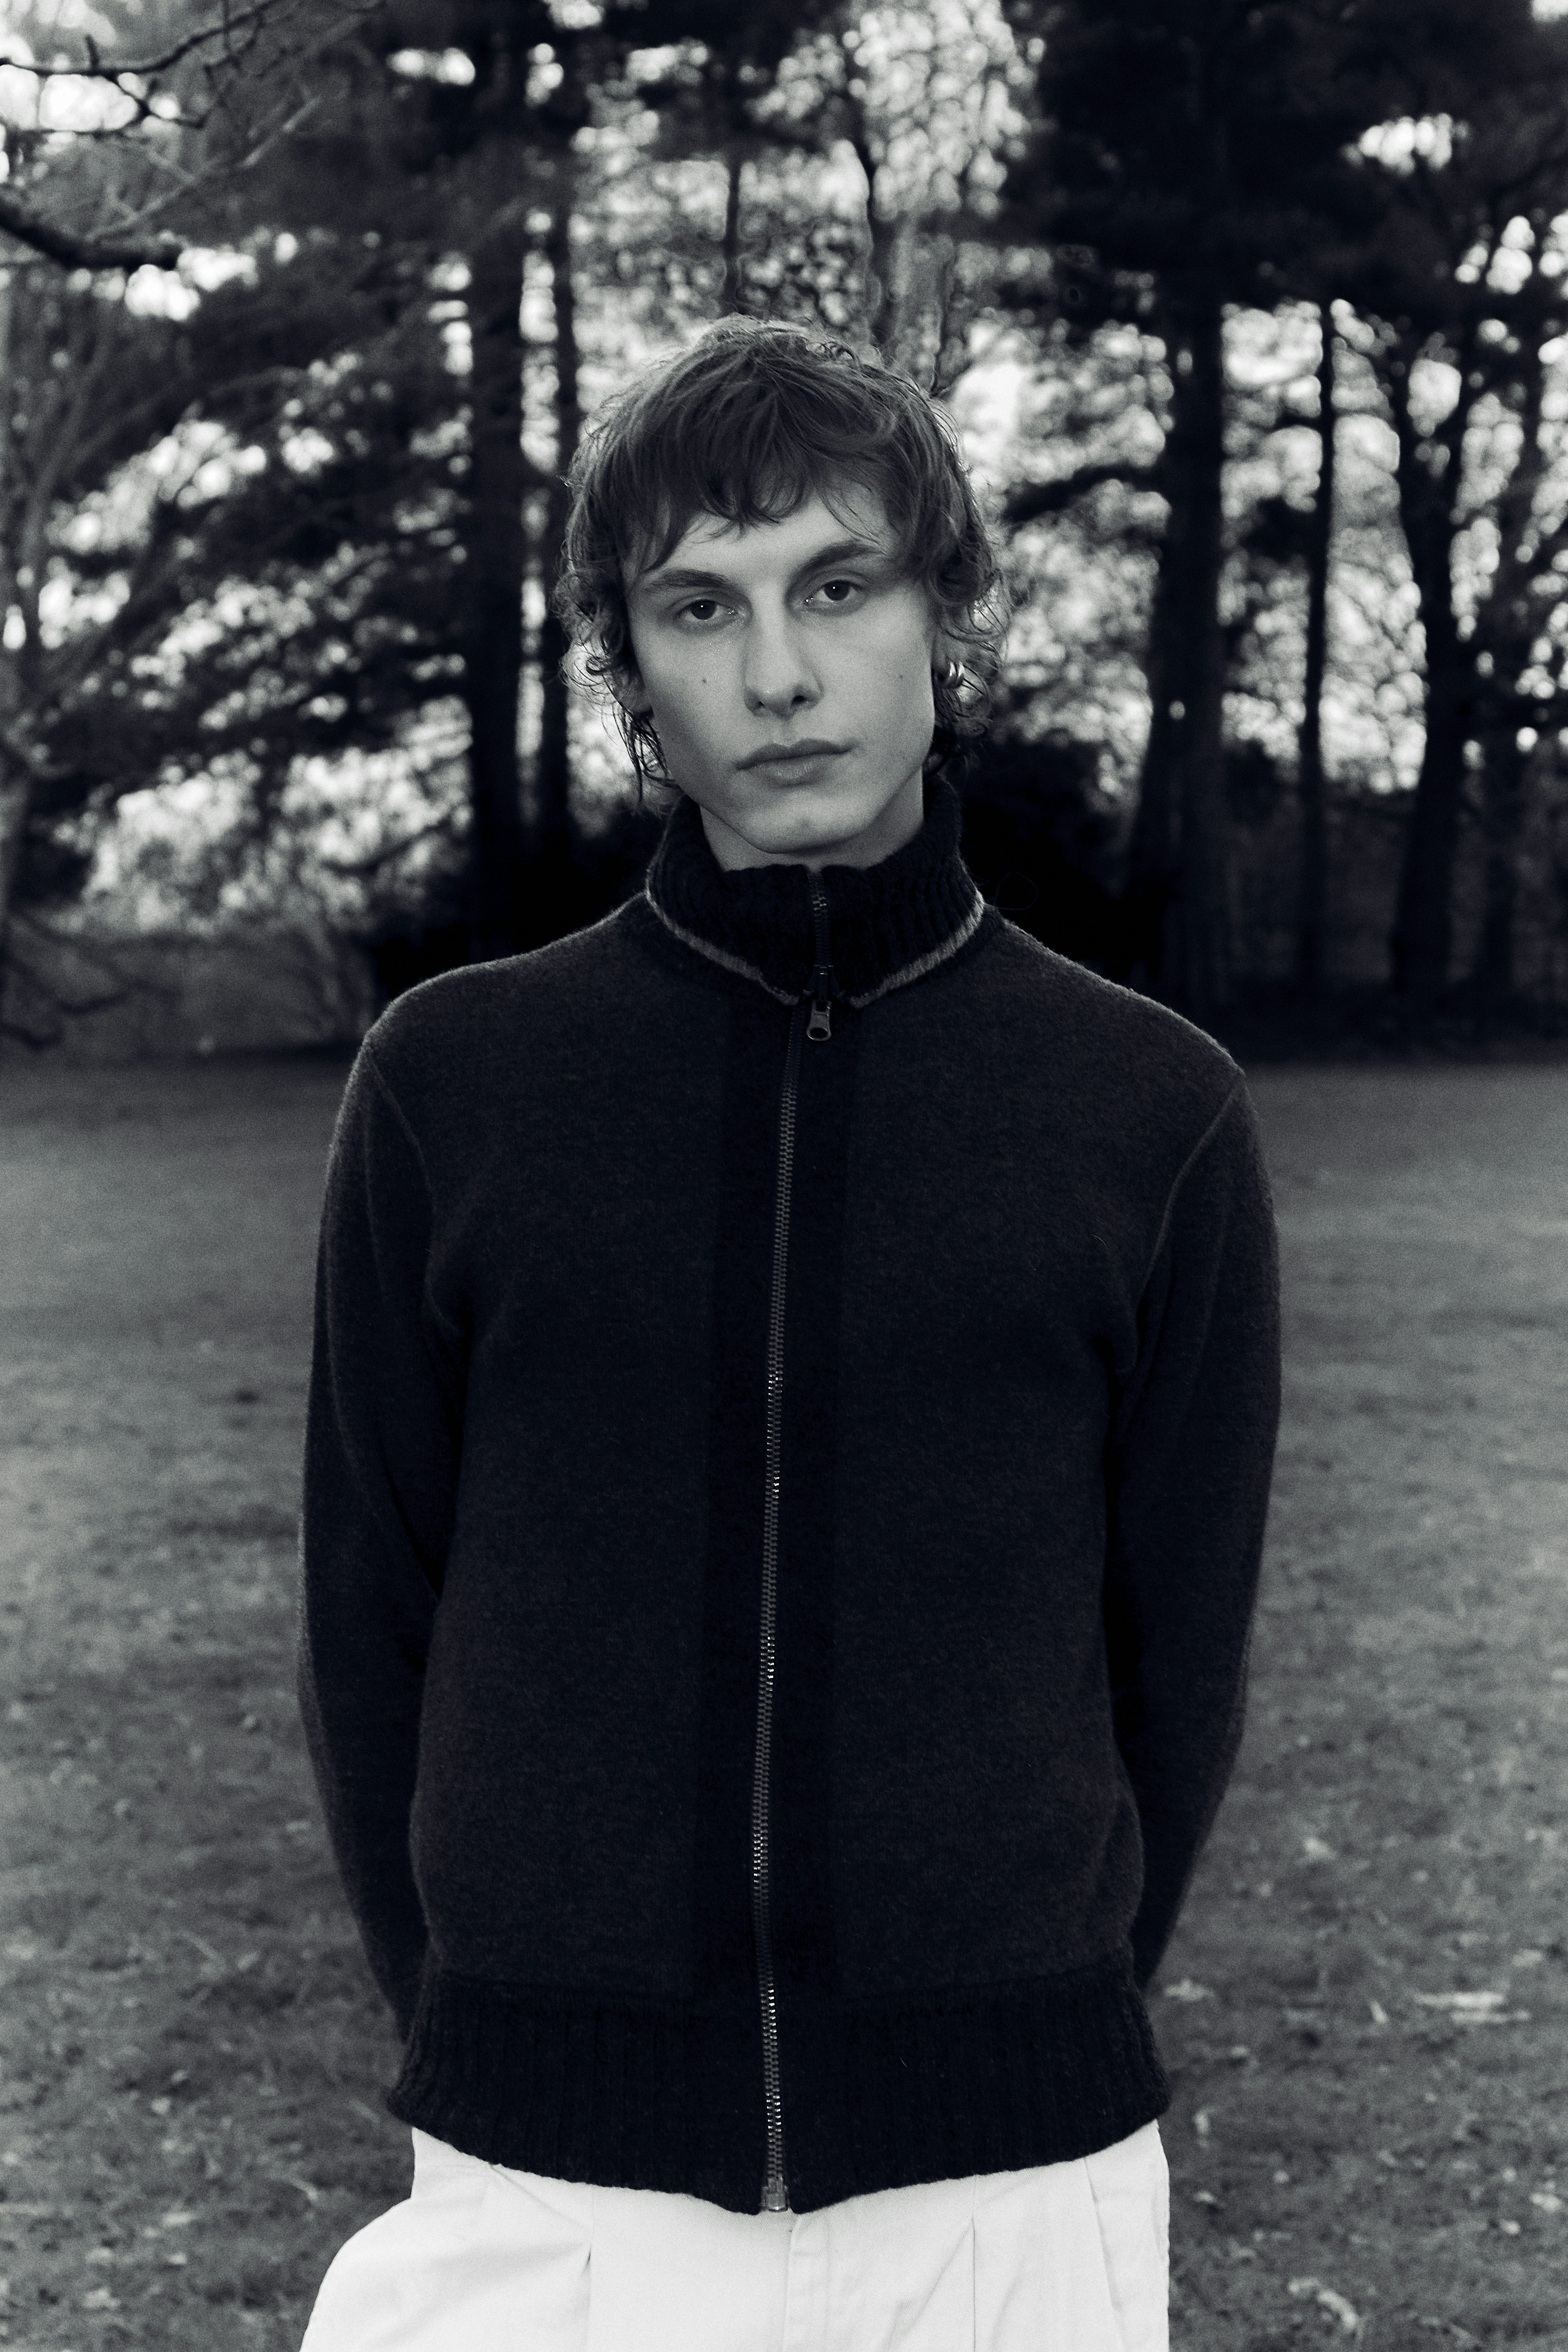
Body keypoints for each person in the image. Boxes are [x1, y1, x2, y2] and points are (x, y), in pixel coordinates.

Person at [295, 318, 1281, 2352]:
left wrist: (1007, 2000)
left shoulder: (1149, 1112)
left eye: (837, 586)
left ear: (945, 611)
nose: (776, 674)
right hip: (547, 2194)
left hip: (1009, 2198)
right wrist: (495, 2011)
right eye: (699, 607)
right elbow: (365, 1622)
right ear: (628, 668)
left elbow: (1173, 1663)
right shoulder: (452, 1086)